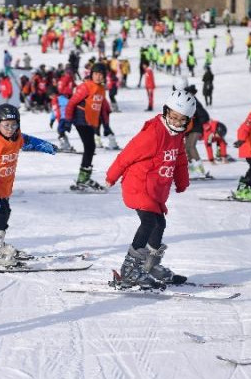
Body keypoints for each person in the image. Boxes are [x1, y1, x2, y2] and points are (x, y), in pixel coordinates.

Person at [105, 90, 194, 289]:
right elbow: (126, 156)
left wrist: (182, 182)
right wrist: (111, 176)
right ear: (165, 112)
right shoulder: (153, 134)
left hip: (155, 189)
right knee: (149, 223)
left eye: (181, 119)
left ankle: (149, 266)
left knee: (159, 224)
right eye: (172, 116)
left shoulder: (177, 136)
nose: (176, 122)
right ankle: (130, 270)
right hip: (138, 185)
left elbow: (180, 160)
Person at [0, 104, 56, 266]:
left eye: (14, 125)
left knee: (5, 212)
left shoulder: (16, 138)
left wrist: (46, 146)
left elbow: (30, 142)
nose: (10, 129)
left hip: (3, 185)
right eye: (6, 125)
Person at [64, 63, 111, 191]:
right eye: (96, 74)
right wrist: (67, 121)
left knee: (90, 147)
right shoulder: (86, 86)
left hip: (91, 121)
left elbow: (102, 109)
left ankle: (83, 178)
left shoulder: (101, 89)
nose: (98, 77)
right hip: (81, 119)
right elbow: (72, 102)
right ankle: (83, 179)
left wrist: (106, 125)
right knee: (90, 147)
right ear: (92, 74)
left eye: (101, 75)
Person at [48, 86, 75, 152]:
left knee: (60, 130)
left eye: (50, 95)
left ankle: (65, 146)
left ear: (53, 94)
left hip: (65, 118)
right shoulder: (54, 101)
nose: (50, 97)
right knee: (61, 131)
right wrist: (52, 120)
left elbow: (69, 104)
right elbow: (54, 111)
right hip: (61, 119)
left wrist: (69, 118)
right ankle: (67, 145)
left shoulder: (61, 98)